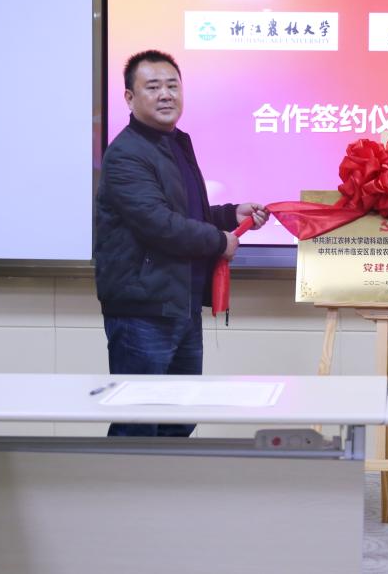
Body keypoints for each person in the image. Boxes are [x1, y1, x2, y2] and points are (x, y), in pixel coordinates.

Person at [94, 49, 268, 437]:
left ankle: (166, 481)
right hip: (143, 311)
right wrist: (219, 241)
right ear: (129, 97)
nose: (165, 95)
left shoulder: (174, 143)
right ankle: (124, 481)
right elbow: (159, 224)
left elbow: (186, 212)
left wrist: (230, 215)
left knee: (179, 419)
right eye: (153, 87)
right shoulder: (126, 154)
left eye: (172, 86)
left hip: (180, 304)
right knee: (138, 422)